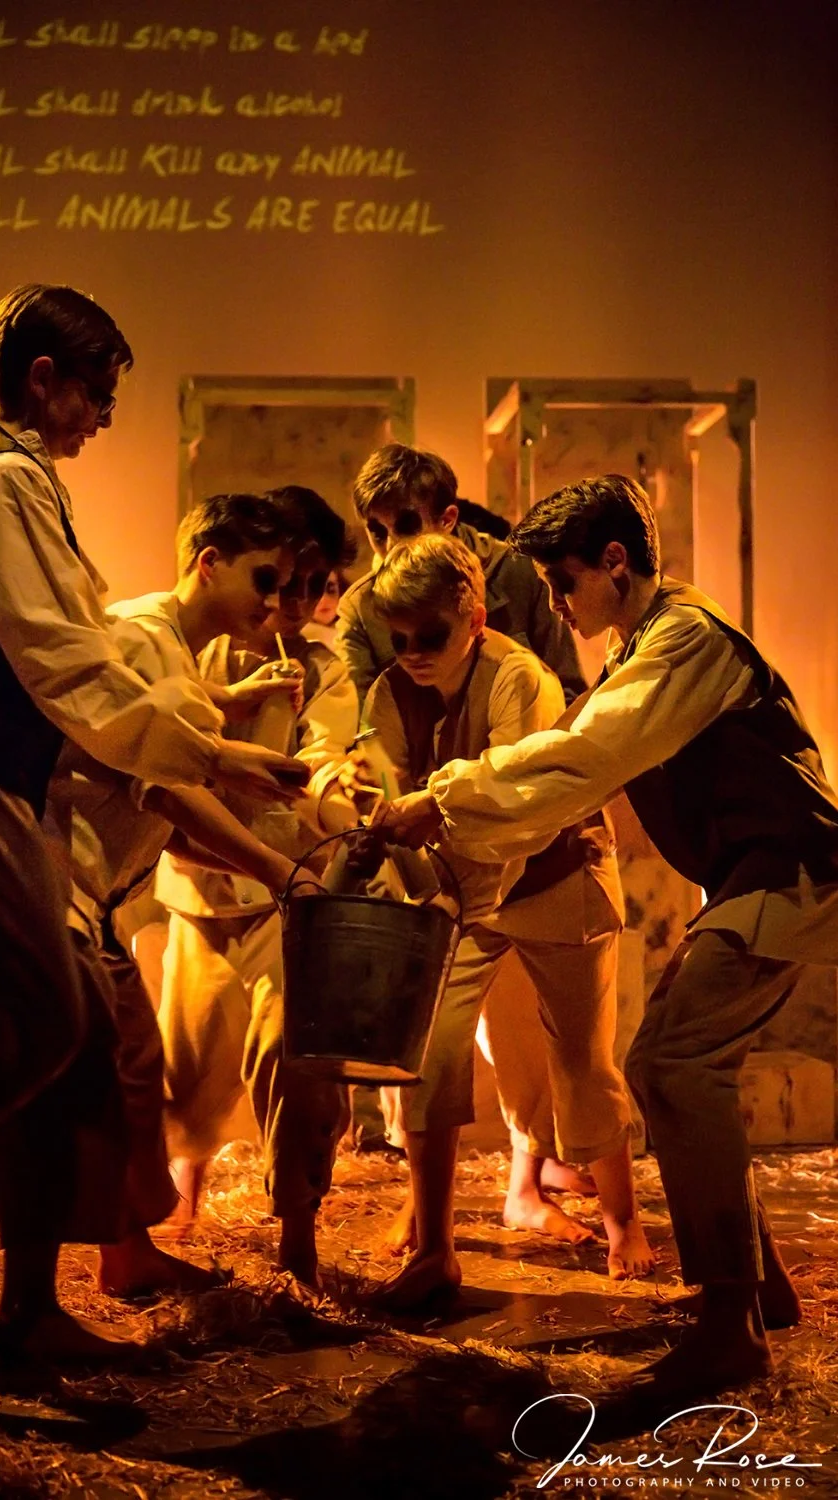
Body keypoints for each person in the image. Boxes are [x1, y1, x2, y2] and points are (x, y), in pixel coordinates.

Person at [0, 284, 305, 1361]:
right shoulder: (1, 482)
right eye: (96, 392)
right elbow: (65, 665)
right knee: (39, 1023)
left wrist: (213, 731)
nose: (103, 415)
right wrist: (218, 752)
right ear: (44, 380)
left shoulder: (12, 483)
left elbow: (67, 662)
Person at [376, 474, 832, 1395]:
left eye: (562, 581)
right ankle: (761, 1289)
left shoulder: (687, 639)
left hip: (791, 871)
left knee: (672, 1066)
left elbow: (585, 756)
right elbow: (571, 765)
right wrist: (458, 810)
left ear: (614, 563)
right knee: (672, 1067)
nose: (553, 603)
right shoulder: (642, 648)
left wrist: (445, 796)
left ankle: (730, 1324)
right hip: (751, 878)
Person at [361, 535, 650, 1309]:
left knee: (581, 1055)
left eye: (433, 636)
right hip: (461, 889)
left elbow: (521, 812)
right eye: (400, 637)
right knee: (435, 1049)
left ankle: (623, 1221)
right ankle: (434, 1245)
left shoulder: (520, 678)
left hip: (556, 875)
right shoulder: (392, 690)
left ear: (477, 619)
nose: (414, 653)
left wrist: (433, 835)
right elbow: (377, 784)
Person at [49, 490, 317, 1301]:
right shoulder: (142, 637)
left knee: (127, 1064)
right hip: (62, 883)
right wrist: (276, 870)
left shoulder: (171, 650)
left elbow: (169, 792)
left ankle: (125, 1251)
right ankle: (96, 1264)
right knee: (115, 1066)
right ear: (207, 563)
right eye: (261, 579)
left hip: (92, 892)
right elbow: (165, 785)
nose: (275, 603)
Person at [156, 486, 361, 1287]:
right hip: (199, 893)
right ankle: (185, 1197)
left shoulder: (325, 669)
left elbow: (328, 760)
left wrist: (334, 794)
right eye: (282, 583)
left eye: (313, 587)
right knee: (191, 1062)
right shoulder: (197, 646)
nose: (295, 604)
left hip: (288, 892)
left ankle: (297, 1226)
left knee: (296, 1053)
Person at [335, 444, 584, 707]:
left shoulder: (518, 572)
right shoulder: (361, 606)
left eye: (407, 526)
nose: (391, 544)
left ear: (447, 519)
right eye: (377, 531)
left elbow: (569, 693)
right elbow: (361, 724)